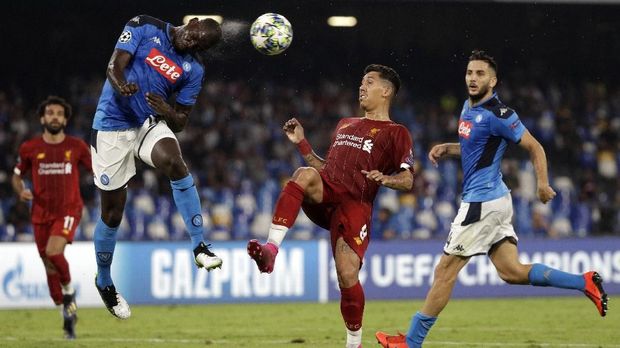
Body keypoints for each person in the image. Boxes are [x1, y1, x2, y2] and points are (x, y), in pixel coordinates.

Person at [375, 50, 608, 348]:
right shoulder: (466, 107)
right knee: (511, 272)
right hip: (494, 201)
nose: (473, 78)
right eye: (470, 73)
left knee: (444, 270)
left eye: (480, 74)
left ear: (493, 80)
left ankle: (412, 341)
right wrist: (448, 147)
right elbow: (474, 147)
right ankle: (584, 281)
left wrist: (542, 184)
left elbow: (535, 147)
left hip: (481, 203)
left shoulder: (501, 116)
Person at [247, 64, 415, 348]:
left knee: (347, 274)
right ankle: (271, 250)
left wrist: (385, 178)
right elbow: (328, 170)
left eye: (369, 82)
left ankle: (354, 343)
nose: (361, 87)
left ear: (386, 91)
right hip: (328, 192)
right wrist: (302, 145)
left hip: (355, 206)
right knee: (303, 174)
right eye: (361, 82)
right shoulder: (345, 124)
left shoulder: (396, 133)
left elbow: (408, 180)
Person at [91, 15, 223, 319]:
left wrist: (167, 111)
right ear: (193, 22)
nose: (191, 42)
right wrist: (122, 85)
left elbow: (182, 122)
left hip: (147, 122)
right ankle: (104, 279)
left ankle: (199, 246)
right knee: (112, 214)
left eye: (198, 44)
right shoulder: (144, 25)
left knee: (175, 162)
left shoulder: (194, 69)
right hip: (111, 125)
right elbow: (114, 66)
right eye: (194, 35)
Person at [12, 96, 92, 339]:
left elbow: (97, 170)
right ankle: (66, 314)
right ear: (42, 118)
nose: (55, 116)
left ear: (65, 120)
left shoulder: (77, 147)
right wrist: (21, 190)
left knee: (54, 253)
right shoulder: (29, 148)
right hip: (40, 214)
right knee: (49, 266)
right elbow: (16, 175)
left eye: (59, 113)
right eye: (50, 113)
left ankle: (69, 294)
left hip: (68, 210)